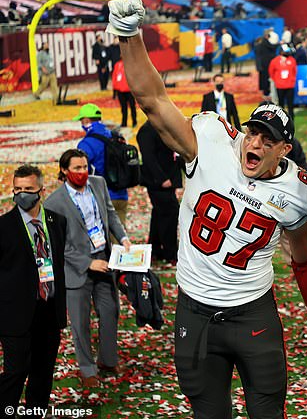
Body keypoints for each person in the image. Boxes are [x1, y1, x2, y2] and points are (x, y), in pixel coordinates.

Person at [108, 0, 307, 418]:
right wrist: (129, 38)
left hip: (253, 312)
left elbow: (305, 262)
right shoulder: (212, 141)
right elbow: (154, 101)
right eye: (253, 133)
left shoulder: (297, 191)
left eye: (268, 141)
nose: (254, 144)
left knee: (269, 411)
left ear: (285, 150)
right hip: (194, 309)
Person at [45, 149, 131, 387]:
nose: (83, 172)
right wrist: (87, 262)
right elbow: (56, 245)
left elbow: (110, 215)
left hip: (104, 261)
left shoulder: (98, 184)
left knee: (110, 311)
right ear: (64, 170)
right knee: (81, 323)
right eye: (77, 168)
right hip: (77, 270)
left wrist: (122, 238)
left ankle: (107, 360)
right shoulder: (54, 203)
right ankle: (87, 369)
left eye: (85, 167)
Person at [0, 166, 67, 417]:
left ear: (41, 190)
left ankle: (35, 413)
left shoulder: (57, 221)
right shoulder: (4, 227)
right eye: (17, 189)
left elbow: (58, 263)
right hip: (15, 314)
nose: (22, 194)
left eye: (28, 189)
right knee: (15, 372)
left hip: (48, 310)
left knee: (43, 372)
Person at [74, 103, 129, 227]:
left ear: (87, 120)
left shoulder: (86, 144)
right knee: (120, 239)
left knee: (103, 241)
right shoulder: (116, 136)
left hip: (101, 197)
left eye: (82, 120)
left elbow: (81, 174)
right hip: (122, 194)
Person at [137, 121, 182, 265]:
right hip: (159, 181)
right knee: (170, 212)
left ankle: (155, 249)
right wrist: (161, 178)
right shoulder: (147, 131)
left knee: (159, 213)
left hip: (168, 178)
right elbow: (148, 158)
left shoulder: (162, 127)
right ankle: (170, 252)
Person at [269, 43, 297, 120]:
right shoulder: (275, 61)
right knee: (281, 103)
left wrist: (292, 80)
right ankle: (281, 119)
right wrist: (277, 81)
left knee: (290, 103)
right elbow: (271, 72)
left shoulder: (292, 60)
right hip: (280, 86)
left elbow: (294, 71)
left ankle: (291, 118)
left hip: (290, 85)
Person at [112, 58, 137, 128]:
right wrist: (115, 90)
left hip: (129, 90)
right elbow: (114, 76)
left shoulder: (130, 64)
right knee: (123, 108)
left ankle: (134, 121)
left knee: (132, 107)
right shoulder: (117, 65)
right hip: (120, 90)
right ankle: (124, 122)